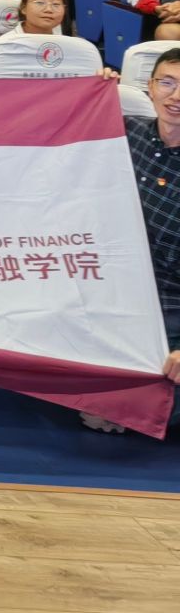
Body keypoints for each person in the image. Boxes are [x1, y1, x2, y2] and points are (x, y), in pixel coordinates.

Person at [111, 49, 180, 436]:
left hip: (171, 301)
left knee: (168, 381)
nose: (176, 96)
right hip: (113, 289)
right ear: (150, 87)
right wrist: (89, 88)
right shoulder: (124, 130)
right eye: (167, 83)